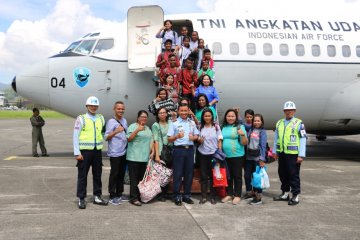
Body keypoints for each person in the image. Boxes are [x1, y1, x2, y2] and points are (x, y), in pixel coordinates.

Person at [73, 96, 107, 209]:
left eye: (95, 106)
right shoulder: (81, 118)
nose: (93, 107)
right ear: (87, 106)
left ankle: (97, 196)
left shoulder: (101, 118)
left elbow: (102, 133)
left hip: (97, 151)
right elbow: (75, 136)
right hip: (85, 152)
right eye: (91, 105)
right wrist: (77, 153)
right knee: (82, 175)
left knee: (98, 175)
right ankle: (81, 198)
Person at [273, 101, 307, 206]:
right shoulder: (279, 123)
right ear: (284, 111)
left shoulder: (299, 123)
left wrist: (301, 154)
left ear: (294, 111)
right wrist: (275, 151)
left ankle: (295, 196)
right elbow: (276, 138)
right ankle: (285, 193)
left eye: (291, 110)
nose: (289, 112)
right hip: (282, 153)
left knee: (293, 175)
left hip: (293, 154)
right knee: (282, 173)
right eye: (287, 110)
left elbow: (303, 138)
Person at [167, 104, 199, 206]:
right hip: (178, 150)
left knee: (189, 174)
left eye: (186, 110)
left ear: (188, 111)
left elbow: (197, 135)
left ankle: (187, 195)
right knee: (178, 174)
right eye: (182, 111)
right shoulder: (174, 123)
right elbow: (169, 139)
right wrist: (176, 136)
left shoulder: (192, 122)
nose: (184, 113)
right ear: (178, 111)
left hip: (189, 150)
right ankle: (176, 196)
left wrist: (193, 138)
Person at [126, 110, 154, 206]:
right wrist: (137, 130)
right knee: (134, 179)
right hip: (133, 157)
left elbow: (151, 140)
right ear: (138, 118)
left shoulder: (147, 128)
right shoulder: (132, 126)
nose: (144, 119)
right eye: (142, 117)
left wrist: (152, 151)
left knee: (141, 180)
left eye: (146, 117)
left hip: (144, 158)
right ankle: (133, 198)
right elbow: (129, 139)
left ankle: (139, 196)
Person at [221, 109, 248, 205]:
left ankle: (237, 195)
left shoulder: (240, 127)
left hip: (237, 155)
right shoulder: (223, 127)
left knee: (237, 176)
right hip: (225, 156)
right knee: (228, 176)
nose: (230, 118)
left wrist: (243, 134)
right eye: (229, 116)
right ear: (226, 117)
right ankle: (229, 194)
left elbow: (244, 142)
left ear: (236, 117)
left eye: (232, 116)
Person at [197, 108, 223, 204]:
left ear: (212, 116)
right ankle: (204, 196)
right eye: (205, 116)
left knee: (213, 176)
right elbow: (198, 139)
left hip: (214, 154)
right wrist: (200, 140)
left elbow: (220, 139)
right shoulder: (200, 126)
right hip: (203, 154)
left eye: (209, 115)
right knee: (203, 176)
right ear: (203, 117)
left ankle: (212, 196)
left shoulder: (216, 126)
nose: (207, 117)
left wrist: (219, 153)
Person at [105, 101, 128, 205]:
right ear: (114, 109)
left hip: (123, 152)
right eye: (119, 109)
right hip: (115, 153)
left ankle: (119, 193)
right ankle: (112, 195)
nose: (121, 110)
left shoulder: (124, 120)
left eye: (122, 109)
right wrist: (116, 131)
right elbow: (106, 137)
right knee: (114, 174)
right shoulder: (111, 121)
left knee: (121, 174)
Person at [244, 114, 267, 205]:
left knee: (257, 178)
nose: (256, 122)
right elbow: (241, 123)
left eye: (258, 121)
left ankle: (258, 197)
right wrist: (237, 114)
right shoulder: (250, 129)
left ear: (262, 122)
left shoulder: (262, 132)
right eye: (255, 121)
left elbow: (263, 146)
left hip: (257, 158)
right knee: (247, 176)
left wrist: (262, 159)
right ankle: (250, 193)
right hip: (249, 157)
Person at [152, 107, 172, 201]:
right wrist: (156, 155)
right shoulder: (156, 125)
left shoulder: (170, 123)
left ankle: (166, 192)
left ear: (167, 114)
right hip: (160, 151)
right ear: (157, 115)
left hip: (169, 151)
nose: (162, 114)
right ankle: (160, 194)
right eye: (160, 113)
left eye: (164, 112)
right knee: (160, 174)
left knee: (167, 173)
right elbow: (155, 140)